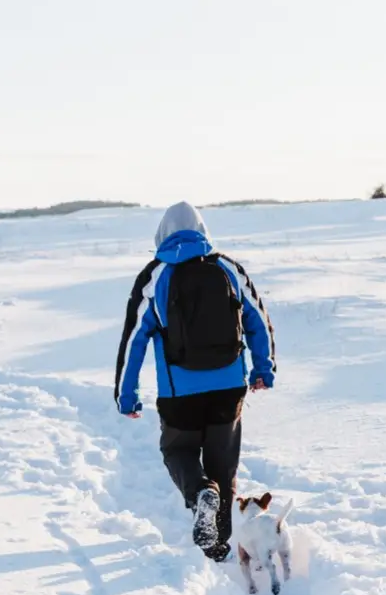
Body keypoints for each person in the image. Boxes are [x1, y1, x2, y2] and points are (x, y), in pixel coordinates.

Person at [114, 201, 276, 562]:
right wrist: (263, 370)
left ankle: (200, 492)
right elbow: (257, 321)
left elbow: (134, 339)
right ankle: (219, 548)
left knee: (178, 451)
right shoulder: (227, 269)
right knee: (223, 464)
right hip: (228, 388)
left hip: (179, 394)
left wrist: (127, 395)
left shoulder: (156, 276)